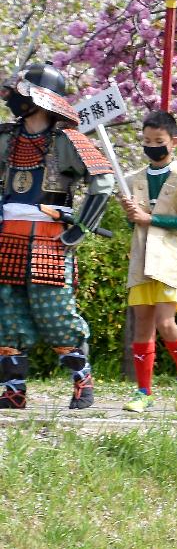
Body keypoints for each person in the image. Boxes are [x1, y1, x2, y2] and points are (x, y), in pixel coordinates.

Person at [0, 63, 115, 410]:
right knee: (7, 315)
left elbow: (104, 182)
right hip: (7, 237)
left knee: (56, 315)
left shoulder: (68, 141)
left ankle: (82, 381)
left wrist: (80, 229)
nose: (14, 99)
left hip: (50, 240)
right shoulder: (5, 137)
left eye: (22, 93)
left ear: (39, 100)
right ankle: (13, 389)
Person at [118, 110, 177, 413]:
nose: (152, 146)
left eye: (159, 141)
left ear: (174, 141)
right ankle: (143, 391)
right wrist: (132, 216)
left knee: (165, 322)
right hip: (142, 259)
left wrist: (148, 218)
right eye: (147, 141)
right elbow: (135, 226)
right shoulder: (134, 181)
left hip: (169, 260)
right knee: (142, 326)